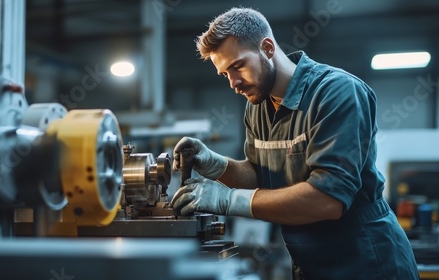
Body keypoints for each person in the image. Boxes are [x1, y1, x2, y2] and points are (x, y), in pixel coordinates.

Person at [170, 7, 419, 280]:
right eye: (224, 74)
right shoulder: (257, 106)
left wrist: (227, 200)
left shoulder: (337, 93)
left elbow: (328, 200)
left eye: (238, 66)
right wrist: (216, 165)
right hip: (310, 263)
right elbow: (261, 174)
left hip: (367, 262)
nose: (234, 83)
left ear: (267, 48)